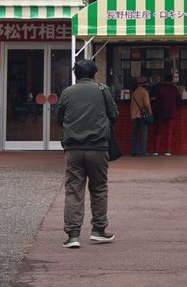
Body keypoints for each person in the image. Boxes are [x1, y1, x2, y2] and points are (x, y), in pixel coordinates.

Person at [55, 58, 118, 248]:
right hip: (98, 148)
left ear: (75, 74)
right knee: (99, 189)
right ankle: (98, 230)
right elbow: (114, 115)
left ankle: (73, 235)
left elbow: (60, 118)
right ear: (94, 74)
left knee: (74, 190)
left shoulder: (67, 92)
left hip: (73, 149)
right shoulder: (102, 89)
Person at [151, 73, 180, 156]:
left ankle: (156, 150)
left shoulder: (160, 88)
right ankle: (168, 151)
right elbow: (178, 99)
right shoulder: (174, 88)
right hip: (171, 112)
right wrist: (175, 108)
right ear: (171, 80)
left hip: (160, 113)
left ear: (164, 80)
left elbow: (156, 100)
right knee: (169, 132)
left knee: (158, 131)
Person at [130, 76, 152, 157]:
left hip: (134, 115)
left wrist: (131, 115)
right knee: (144, 134)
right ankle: (142, 151)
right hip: (142, 115)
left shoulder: (134, 92)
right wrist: (150, 112)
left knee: (135, 134)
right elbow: (147, 104)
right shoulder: (145, 92)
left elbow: (131, 105)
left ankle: (134, 151)